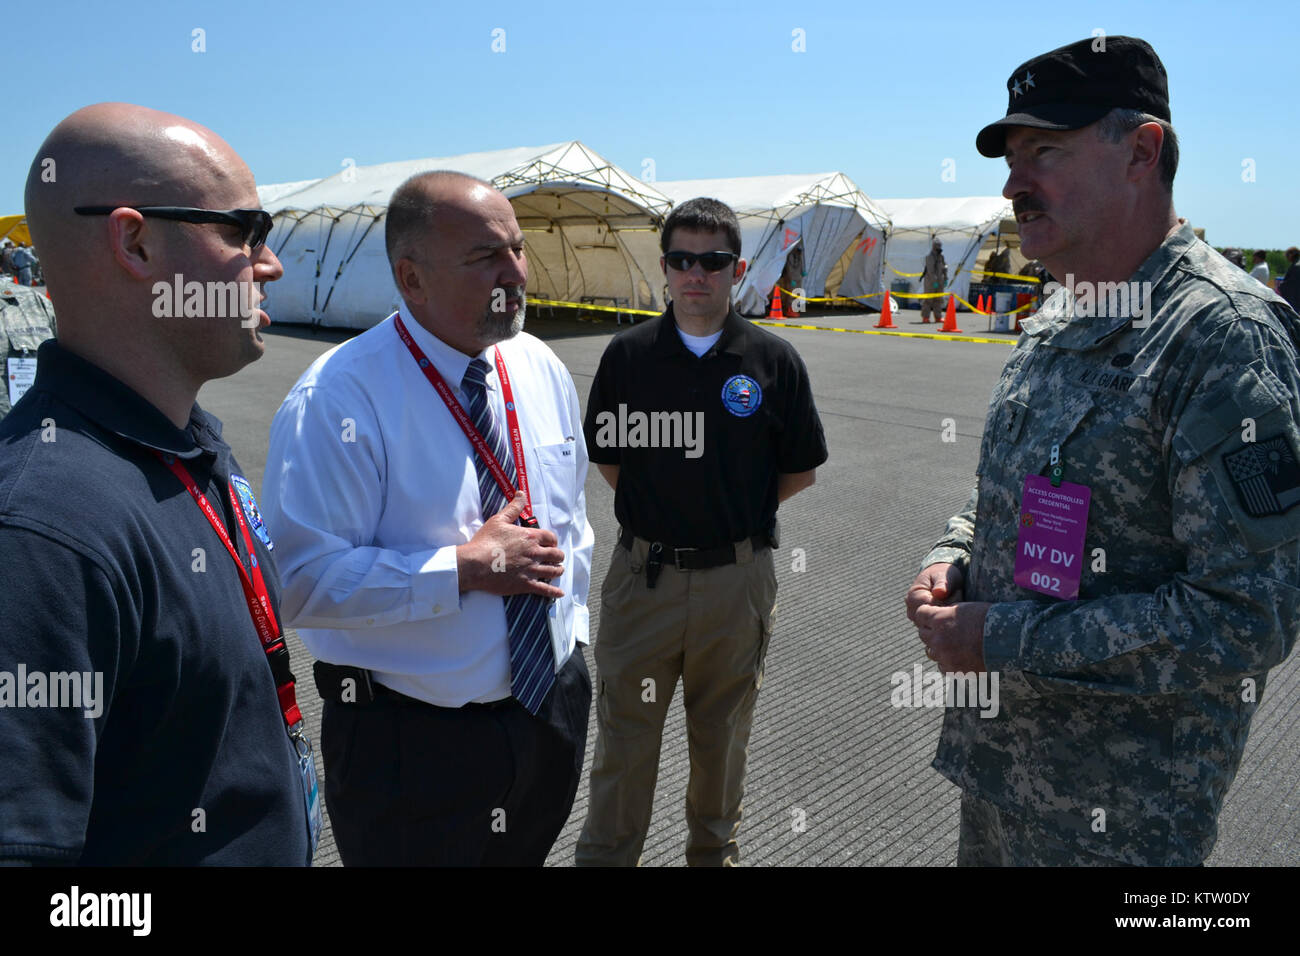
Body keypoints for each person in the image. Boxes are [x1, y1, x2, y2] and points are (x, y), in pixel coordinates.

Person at [905, 36, 1300, 867]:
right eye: (1011, 158)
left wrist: (1001, 638)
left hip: (1121, 826)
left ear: (1142, 152)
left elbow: (1246, 616)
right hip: (1001, 780)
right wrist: (955, 555)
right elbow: (1010, 488)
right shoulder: (1059, 316)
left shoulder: (1220, 338)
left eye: (1045, 150)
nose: (1015, 183)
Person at [0, 103, 314, 865]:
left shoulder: (186, 441)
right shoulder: (42, 531)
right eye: (243, 231)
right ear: (135, 241)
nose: (269, 263)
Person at [261, 171, 593, 866]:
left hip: (548, 713)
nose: (515, 275)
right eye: (485, 259)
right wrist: (463, 570)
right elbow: (297, 580)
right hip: (413, 747)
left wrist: (574, 647)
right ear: (411, 279)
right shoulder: (339, 398)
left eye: (518, 250)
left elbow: (573, 524)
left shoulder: (537, 366)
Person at [575, 197, 828, 866]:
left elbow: (798, 470)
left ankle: (711, 859)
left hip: (735, 587)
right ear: (664, 268)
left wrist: (726, 518)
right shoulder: (628, 357)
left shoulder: (772, 361)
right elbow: (609, 459)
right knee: (624, 745)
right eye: (682, 260)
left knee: (721, 744)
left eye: (712, 261)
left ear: (736, 269)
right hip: (643, 583)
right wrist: (666, 516)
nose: (697, 274)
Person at [918, 238, 947, 322]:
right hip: (930, 281)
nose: (939, 247)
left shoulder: (941, 256)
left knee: (938, 299)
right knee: (928, 299)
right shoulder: (929, 257)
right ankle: (925, 317)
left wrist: (945, 278)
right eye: (937, 246)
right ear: (934, 246)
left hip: (940, 281)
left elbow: (944, 267)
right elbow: (930, 271)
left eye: (940, 245)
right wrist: (934, 281)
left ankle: (938, 317)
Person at [1278, 246, 1300, 311]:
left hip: (1296, 301)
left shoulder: (1296, 266)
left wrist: (1281, 286)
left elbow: (1290, 285)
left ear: (1291, 255)